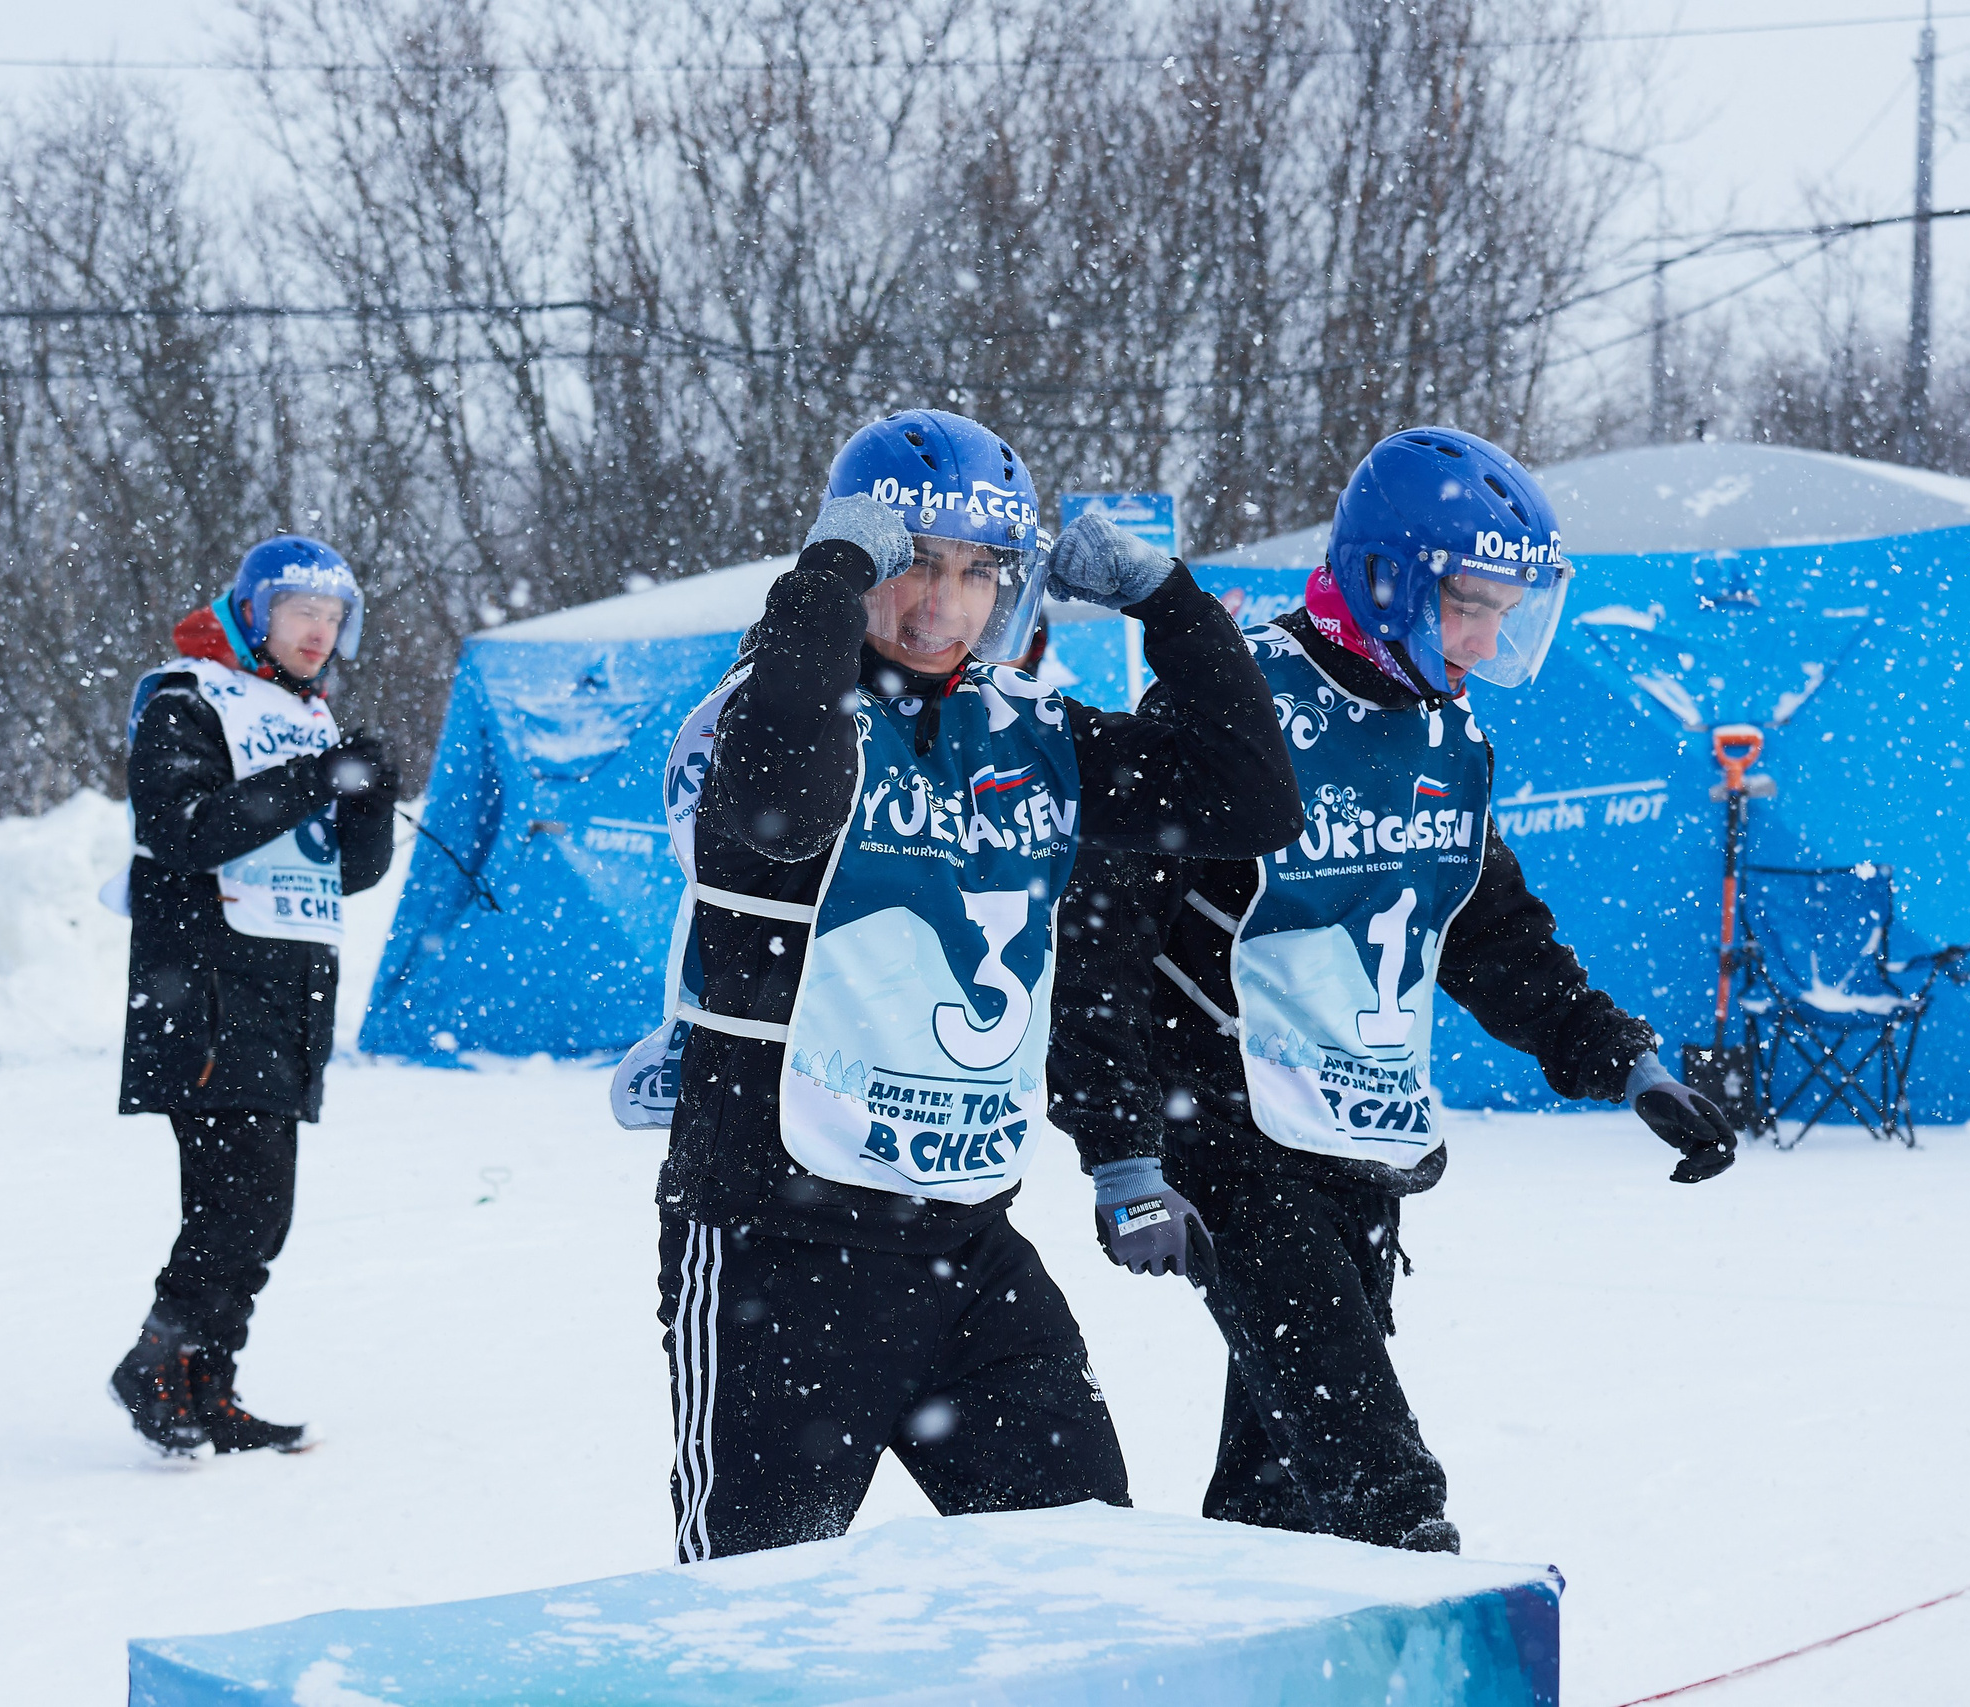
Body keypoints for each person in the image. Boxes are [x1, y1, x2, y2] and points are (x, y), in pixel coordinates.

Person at [1046, 425, 1741, 1555]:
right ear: (1383, 578)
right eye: (1467, 603)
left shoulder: (1446, 730)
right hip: (1223, 1127)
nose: (1485, 638)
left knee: (1281, 1491)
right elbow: (1103, 948)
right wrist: (1123, 1150)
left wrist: (1624, 1059)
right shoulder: (1239, 708)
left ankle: (1252, 1642)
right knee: (1377, 1475)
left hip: (1359, 1137)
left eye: (1507, 612)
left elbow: (1486, 927)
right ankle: (1430, 1638)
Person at [641, 409, 1302, 1561]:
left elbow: (1251, 802)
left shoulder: (1029, 732)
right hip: (775, 1242)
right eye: (911, 567)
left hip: (965, 1244)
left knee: (1079, 1580)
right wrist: (828, 576)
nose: (940, 604)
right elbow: (782, 812)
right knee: (753, 1621)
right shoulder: (757, 715)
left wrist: (1171, 605)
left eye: (977, 572)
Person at [109, 535, 398, 1458]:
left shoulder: (306, 714)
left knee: (259, 1208)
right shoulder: (187, 699)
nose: (319, 631)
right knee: (239, 1200)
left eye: (333, 616)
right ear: (254, 611)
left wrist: (368, 796)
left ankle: (207, 1382)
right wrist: (317, 777)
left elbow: (351, 872)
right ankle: (159, 1363)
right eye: (301, 611)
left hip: (290, 992)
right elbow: (184, 829)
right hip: (205, 988)